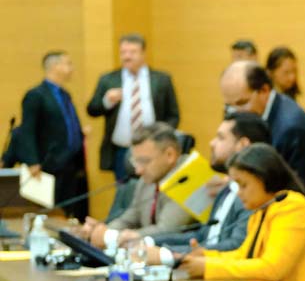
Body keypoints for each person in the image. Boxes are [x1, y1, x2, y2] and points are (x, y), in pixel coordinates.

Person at [180, 143, 305, 281]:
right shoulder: (263, 209)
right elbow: (245, 256)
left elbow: (272, 269)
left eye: (243, 185)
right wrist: (206, 256)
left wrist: (208, 267)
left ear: (265, 178)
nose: (239, 192)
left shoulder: (293, 209)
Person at [129, 112, 271, 265]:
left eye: (221, 138)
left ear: (242, 145)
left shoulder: (255, 192)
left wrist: (168, 255)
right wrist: (148, 241)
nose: (212, 143)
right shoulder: (225, 188)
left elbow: (236, 245)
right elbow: (203, 235)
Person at [219, 60, 305, 198]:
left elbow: (295, 191)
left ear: (264, 90)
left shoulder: (291, 129)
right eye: (229, 106)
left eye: (242, 103)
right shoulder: (265, 116)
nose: (236, 112)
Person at [80, 122, 192, 249]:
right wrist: (101, 231)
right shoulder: (148, 179)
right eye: (135, 161)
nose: (138, 170)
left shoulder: (188, 178)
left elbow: (167, 230)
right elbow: (129, 218)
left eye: (144, 161)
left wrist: (110, 236)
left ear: (169, 155)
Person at [87, 33, 180, 181]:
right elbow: (92, 110)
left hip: (153, 149)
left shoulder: (161, 79)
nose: (127, 56)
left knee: (151, 189)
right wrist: (107, 101)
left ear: (143, 53)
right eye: (123, 52)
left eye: (132, 52)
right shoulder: (109, 79)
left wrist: (162, 137)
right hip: (121, 150)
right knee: (125, 191)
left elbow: (173, 114)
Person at [18, 51, 88, 219]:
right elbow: (26, 130)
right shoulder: (36, 95)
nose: (72, 68)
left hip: (70, 164)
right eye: (68, 63)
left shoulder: (65, 95)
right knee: (50, 210)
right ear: (55, 66)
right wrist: (32, 161)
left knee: (68, 210)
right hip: (49, 164)